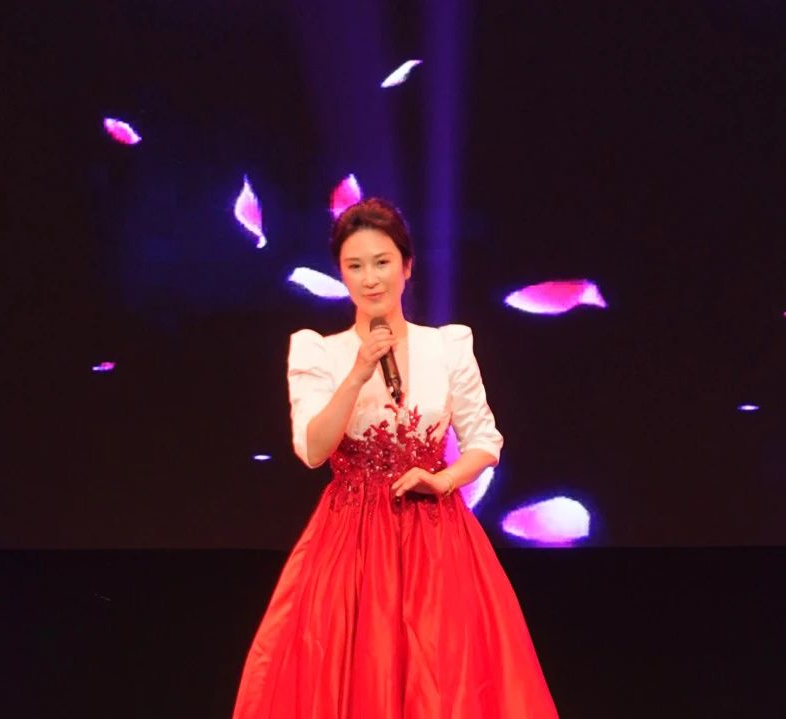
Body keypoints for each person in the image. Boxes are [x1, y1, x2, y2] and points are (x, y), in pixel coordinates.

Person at [233, 198, 558, 718]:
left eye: (382, 262)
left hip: (438, 537)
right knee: (355, 674)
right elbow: (313, 450)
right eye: (355, 266)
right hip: (351, 543)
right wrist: (358, 373)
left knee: (444, 679)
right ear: (341, 274)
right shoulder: (319, 352)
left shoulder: (447, 346)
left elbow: (485, 441)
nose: (370, 279)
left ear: (407, 267)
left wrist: (444, 480)